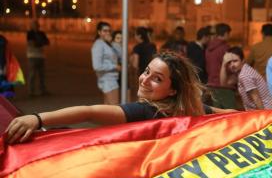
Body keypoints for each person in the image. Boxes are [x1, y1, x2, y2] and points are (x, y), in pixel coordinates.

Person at [6, 51, 235, 144]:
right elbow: (226, 115)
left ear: (172, 90)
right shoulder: (189, 111)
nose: (144, 80)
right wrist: (261, 117)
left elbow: (89, 112)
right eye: (146, 72)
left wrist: (37, 119)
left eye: (156, 79)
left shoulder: (146, 112)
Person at [220, 46, 272, 110]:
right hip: (266, 110)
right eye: (229, 62)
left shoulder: (245, 75)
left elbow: (256, 98)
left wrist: (264, 116)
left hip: (267, 111)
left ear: (243, 61)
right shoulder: (242, 71)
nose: (232, 65)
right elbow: (224, 83)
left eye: (235, 61)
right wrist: (224, 63)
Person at [205, 23, 236, 109]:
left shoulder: (208, 48)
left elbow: (207, 66)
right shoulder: (225, 48)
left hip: (211, 84)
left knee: (216, 116)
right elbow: (230, 67)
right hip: (224, 86)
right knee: (229, 115)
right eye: (229, 34)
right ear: (226, 33)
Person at [91, 21, 121, 105]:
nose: (108, 33)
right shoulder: (98, 45)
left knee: (107, 108)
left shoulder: (107, 43)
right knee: (114, 107)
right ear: (99, 32)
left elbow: (120, 54)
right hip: (107, 79)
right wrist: (114, 66)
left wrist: (113, 43)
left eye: (109, 31)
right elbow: (97, 66)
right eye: (105, 31)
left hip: (111, 78)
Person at [26, 20, 50, 96]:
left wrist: (39, 42)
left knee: (41, 74)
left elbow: (47, 42)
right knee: (32, 74)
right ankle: (31, 91)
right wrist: (41, 42)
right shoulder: (30, 33)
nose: (36, 26)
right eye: (34, 25)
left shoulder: (41, 33)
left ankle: (43, 90)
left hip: (41, 56)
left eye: (37, 25)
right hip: (32, 56)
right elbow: (33, 44)